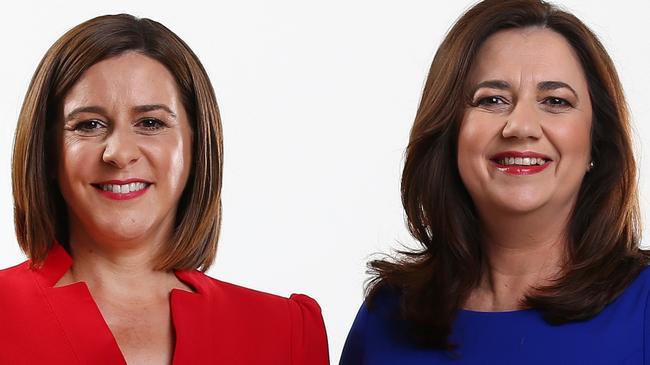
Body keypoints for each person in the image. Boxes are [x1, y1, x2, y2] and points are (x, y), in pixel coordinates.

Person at [0, 14, 328, 365]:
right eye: (89, 125)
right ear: (47, 151)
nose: (120, 153)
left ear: (196, 145)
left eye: (151, 123)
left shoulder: (283, 331)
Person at [340, 0, 650, 363]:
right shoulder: (385, 318)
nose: (520, 126)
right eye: (492, 99)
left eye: (554, 100)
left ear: (597, 140)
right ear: (451, 131)